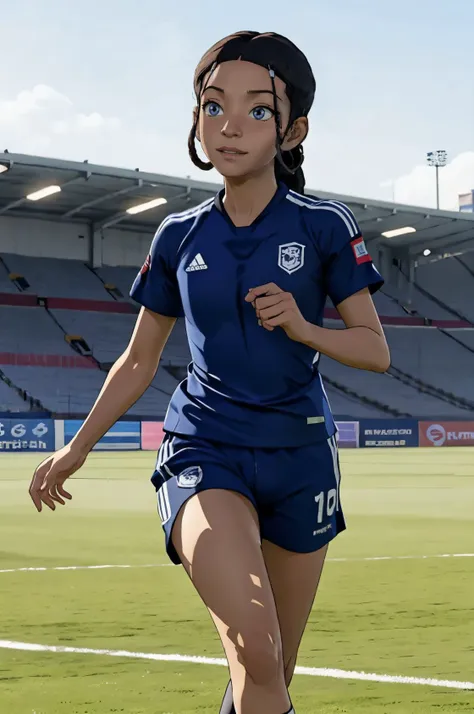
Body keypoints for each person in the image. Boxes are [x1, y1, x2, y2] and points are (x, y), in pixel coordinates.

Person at [29, 31, 390, 714]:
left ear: (294, 130)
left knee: (269, 670)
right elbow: (139, 359)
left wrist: (304, 326)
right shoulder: (179, 235)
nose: (229, 125)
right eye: (212, 105)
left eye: (258, 110)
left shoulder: (323, 226)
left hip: (301, 457)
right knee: (254, 643)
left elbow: (376, 350)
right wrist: (74, 450)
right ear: (195, 117)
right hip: (206, 448)